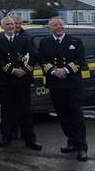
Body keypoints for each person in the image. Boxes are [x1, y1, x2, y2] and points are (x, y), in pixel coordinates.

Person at [37, 17, 88, 161]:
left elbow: (80, 61)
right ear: (50, 28)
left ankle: (82, 147)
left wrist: (65, 70)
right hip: (55, 84)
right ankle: (71, 142)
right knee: (62, 115)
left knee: (76, 115)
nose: (59, 27)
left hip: (72, 84)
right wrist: (54, 71)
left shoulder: (75, 42)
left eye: (61, 24)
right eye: (55, 25)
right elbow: (42, 59)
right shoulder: (45, 42)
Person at [0, 16, 41, 151]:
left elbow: (33, 56)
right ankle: (6, 137)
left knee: (25, 111)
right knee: (7, 111)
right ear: (2, 27)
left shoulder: (25, 40)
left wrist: (24, 70)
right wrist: (13, 70)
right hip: (7, 81)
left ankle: (30, 139)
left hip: (23, 80)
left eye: (12, 24)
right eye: (7, 24)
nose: (10, 26)